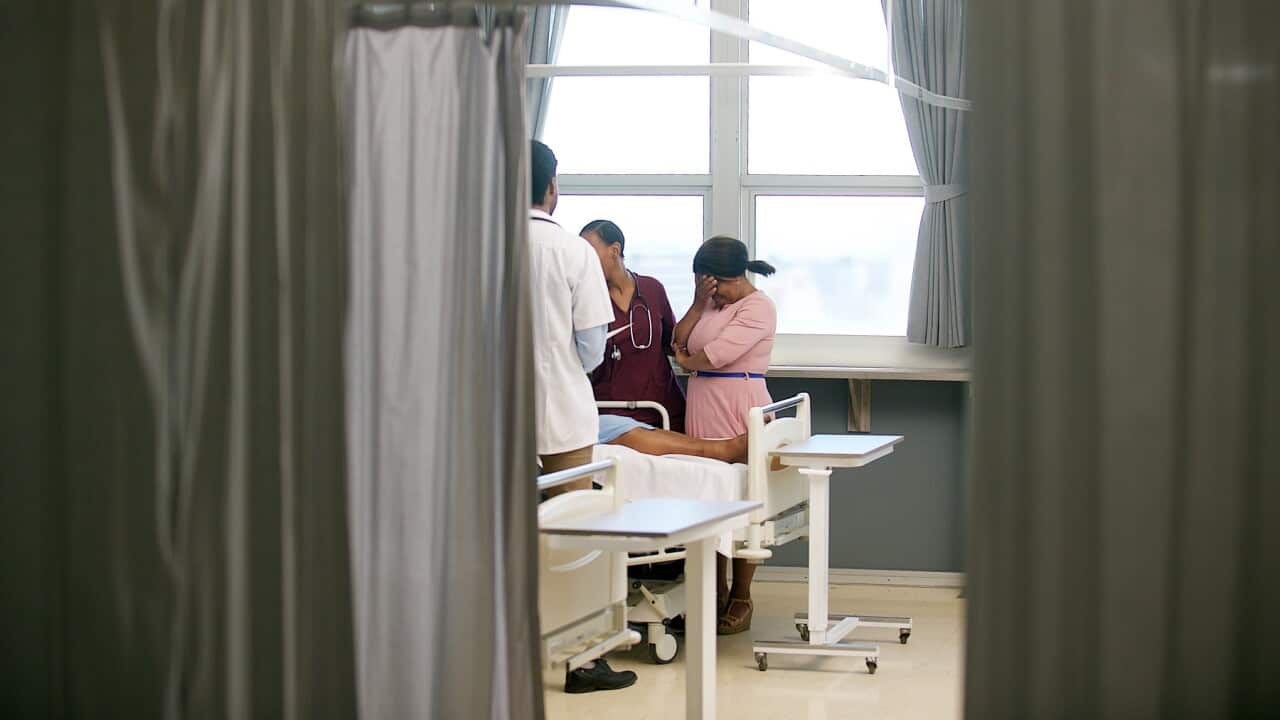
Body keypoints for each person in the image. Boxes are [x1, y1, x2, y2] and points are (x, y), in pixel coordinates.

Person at [528, 140, 637, 694]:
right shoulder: (572, 252)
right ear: (552, 189)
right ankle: (581, 661)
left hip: (491, 415)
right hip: (563, 411)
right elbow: (593, 347)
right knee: (578, 532)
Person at [671, 236, 778, 636]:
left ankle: (741, 595)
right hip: (702, 401)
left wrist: (685, 360)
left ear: (732, 276)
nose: (713, 291)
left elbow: (716, 354)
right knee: (707, 497)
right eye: (704, 285)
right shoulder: (713, 304)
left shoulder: (759, 307)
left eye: (714, 284)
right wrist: (699, 304)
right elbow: (679, 338)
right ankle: (711, 589)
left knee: (743, 498)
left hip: (738, 401)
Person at [581, 219, 687, 433]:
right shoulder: (586, 298)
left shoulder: (652, 289)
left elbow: (671, 343)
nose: (583, 261)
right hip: (612, 414)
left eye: (589, 252)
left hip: (662, 409)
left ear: (614, 250)